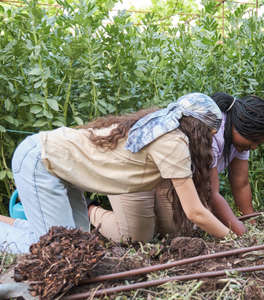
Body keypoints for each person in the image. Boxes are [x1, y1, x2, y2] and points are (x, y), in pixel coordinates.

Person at [0, 93, 232, 254]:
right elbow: (195, 212)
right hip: (41, 160)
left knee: (78, 247)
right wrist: (233, 241)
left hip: (58, 167)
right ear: (201, 131)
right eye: (210, 135)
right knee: (54, 249)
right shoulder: (173, 142)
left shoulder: (163, 127)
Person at [89, 92, 264, 241]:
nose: (253, 147)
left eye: (258, 144)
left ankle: (144, 216)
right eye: (253, 141)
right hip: (131, 168)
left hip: (165, 175)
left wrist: (251, 221)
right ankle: (90, 209)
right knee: (134, 237)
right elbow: (211, 194)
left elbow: (240, 183)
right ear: (238, 127)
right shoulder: (212, 134)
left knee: (174, 231)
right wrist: (239, 235)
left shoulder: (241, 139)